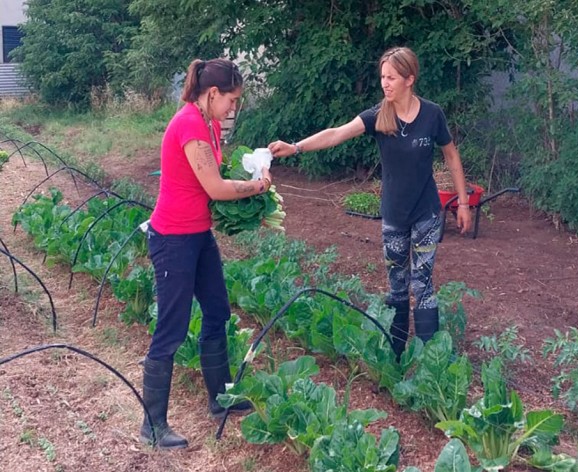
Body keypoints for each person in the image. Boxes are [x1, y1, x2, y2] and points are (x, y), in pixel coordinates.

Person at [268, 46, 472, 361]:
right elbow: (336, 134)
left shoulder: (432, 114)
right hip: (393, 215)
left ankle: (433, 363)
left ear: (409, 79)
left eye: (391, 77)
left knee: (422, 282)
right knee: (397, 286)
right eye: (382, 78)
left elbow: (451, 155)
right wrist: (295, 147)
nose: (385, 83)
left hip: (427, 213)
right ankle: (397, 357)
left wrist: (462, 203)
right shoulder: (378, 116)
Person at [141, 58, 270, 450]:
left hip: (198, 236)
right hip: (173, 239)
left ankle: (220, 399)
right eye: (231, 100)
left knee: (218, 312)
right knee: (172, 329)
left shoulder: (210, 125)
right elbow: (214, 187)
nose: (233, 108)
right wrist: (258, 188)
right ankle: (153, 425)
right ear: (212, 94)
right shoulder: (189, 124)